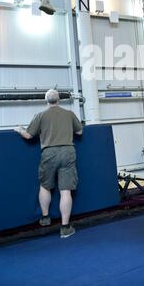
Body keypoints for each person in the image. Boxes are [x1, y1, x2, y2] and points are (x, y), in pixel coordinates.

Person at [14, 89, 83, 238]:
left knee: (45, 186)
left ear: (46, 100)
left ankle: (45, 219)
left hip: (49, 153)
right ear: (59, 100)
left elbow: (28, 135)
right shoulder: (69, 114)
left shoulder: (40, 115)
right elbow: (80, 132)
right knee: (66, 191)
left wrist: (19, 130)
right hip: (67, 151)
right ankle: (65, 228)